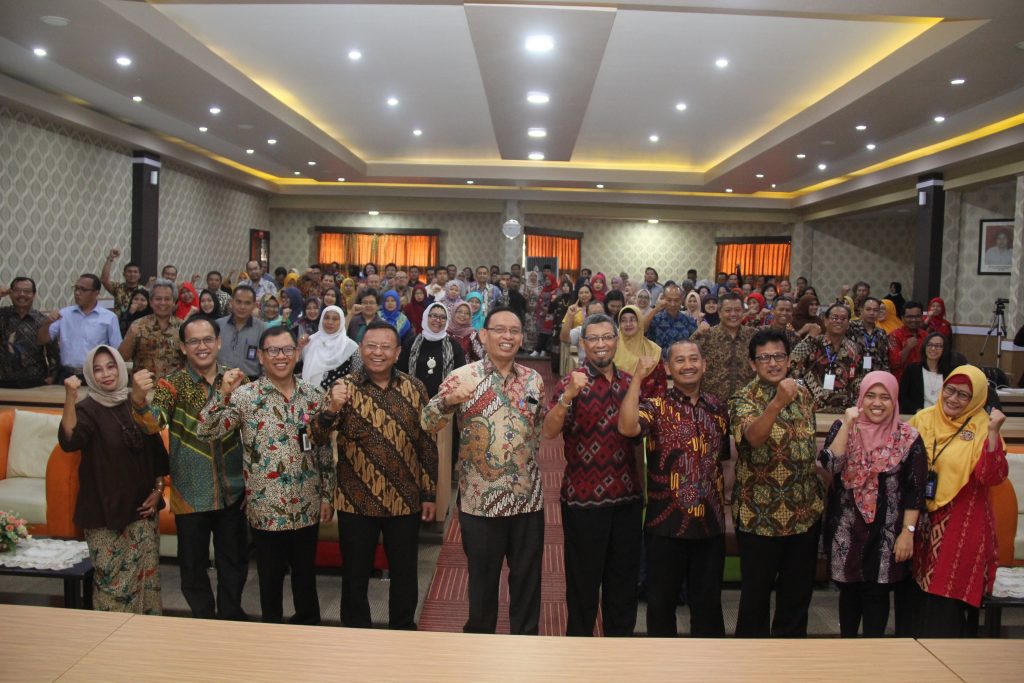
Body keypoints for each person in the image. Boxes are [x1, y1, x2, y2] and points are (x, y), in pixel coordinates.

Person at [198, 327, 335, 625]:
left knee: (305, 578)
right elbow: (207, 430)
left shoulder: (313, 395)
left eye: (287, 350)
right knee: (269, 581)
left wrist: (327, 494)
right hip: (266, 507)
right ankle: (270, 637)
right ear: (261, 356)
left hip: (307, 504)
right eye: (273, 351)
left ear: (297, 354)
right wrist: (222, 393)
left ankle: (308, 630)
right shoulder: (245, 397)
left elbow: (323, 449)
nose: (281, 356)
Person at [422, 307, 545, 635]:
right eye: (500, 330)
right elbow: (427, 422)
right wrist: (449, 402)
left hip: (527, 501)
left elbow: (541, 430)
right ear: (484, 335)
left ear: (521, 338)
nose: (508, 337)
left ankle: (525, 648)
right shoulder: (464, 377)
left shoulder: (534, 380)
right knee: (482, 582)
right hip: (480, 503)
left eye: (514, 331)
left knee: (528, 582)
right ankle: (478, 648)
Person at [310, 320, 437, 630]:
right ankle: (355, 635)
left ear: (397, 352)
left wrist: (429, 493)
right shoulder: (343, 388)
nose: (377, 353)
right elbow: (317, 438)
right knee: (354, 574)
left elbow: (426, 443)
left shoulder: (414, 387)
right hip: (356, 500)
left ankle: (403, 631)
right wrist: (330, 409)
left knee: (405, 573)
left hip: (404, 500)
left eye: (385, 347)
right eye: (371, 346)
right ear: (360, 349)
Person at [130, 316, 249, 621]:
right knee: (193, 564)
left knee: (233, 561)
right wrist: (139, 400)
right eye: (194, 341)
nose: (202, 346)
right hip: (190, 491)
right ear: (183, 347)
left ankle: (231, 616)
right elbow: (153, 424)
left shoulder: (238, 379)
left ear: (218, 342)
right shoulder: (173, 384)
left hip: (232, 488)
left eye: (208, 339)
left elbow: (251, 432)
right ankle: (204, 619)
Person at [619, 340, 730, 637]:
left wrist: (724, 503)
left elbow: (725, 460)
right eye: (680, 360)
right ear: (668, 368)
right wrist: (638, 379)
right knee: (661, 606)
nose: (688, 365)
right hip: (665, 525)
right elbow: (628, 427)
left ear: (704, 365)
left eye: (694, 359)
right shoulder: (656, 406)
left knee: (708, 607)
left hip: (710, 525)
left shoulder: (719, 408)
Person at [543, 314, 643, 637]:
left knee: (623, 587)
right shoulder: (571, 382)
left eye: (607, 337)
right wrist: (568, 396)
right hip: (584, 502)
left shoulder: (630, 383)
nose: (601, 344)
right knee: (583, 589)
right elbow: (549, 430)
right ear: (583, 344)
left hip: (626, 501)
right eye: (594, 339)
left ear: (616, 341)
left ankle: (619, 656)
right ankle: (579, 657)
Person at [58, 345, 169, 613]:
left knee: (147, 582)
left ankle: (146, 644)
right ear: (89, 375)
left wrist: (158, 489)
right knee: (113, 588)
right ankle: (110, 646)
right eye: (97, 369)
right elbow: (70, 440)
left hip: (142, 511)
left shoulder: (137, 403)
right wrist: (70, 398)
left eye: (111, 366)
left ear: (121, 368)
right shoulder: (86, 409)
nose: (105, 374)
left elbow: (155, 451)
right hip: (104, 515)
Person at [730, 329, 824, 637]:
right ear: (752, 363)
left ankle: (790, 662)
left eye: (779, 356)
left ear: (789, 359)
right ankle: (751, 663)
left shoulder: (805, 394)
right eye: (765, 358)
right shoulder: (743, 398)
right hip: (760, 517)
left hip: (803, 513)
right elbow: (754, 439)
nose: (773, 363)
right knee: (755, 599)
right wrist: (777, 403)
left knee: (796, 598)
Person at [818, 371, 927, 637]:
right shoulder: (843, 426)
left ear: (895, 401)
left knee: (878, 596)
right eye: (871, 396)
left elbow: (915, 490)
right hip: (847, 529)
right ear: (860, 399)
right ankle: (848, 655)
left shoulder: (908, 437)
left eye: (885, 397)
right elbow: (831, 464)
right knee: (848, 594)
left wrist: (907, 534)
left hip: (887, 533)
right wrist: (847, 424)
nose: (877, 403)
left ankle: (873, 659)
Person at [909, 366, 1008, 637]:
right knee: (917, 594)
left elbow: (992, 476)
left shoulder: (982, 426)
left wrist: (993, 434)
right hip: (923, 519)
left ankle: (946, 664)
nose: (953, 399)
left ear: (976, 398)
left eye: (964, 395)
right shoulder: (923, 419)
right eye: (950, 390)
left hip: (963, 521)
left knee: (947, 595)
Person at [38, 273, 123, 380]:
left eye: (83, 289)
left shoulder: (109, 317)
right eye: (76, 288)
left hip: (96, 375)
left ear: (96, 293)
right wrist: (47, 323)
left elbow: (116, 350)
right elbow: (42, 340)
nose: (77, 293)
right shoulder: (64, 314)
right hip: (67, 374)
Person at [790, 303, 862, 413]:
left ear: (848, 324)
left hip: (844, 410)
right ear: (826, 321)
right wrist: (801, 396)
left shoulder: (854, 349)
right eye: (834, 318)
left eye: (843, 318)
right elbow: (793, 362)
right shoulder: (813, 342)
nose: (838, 321)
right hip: (810, 410)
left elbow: (858, 379)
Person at [691, 292, 755, 405]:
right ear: (720, 313)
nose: (733, 314)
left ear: (743, 312)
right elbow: (686, 352)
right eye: (728, 310)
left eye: (737, 310)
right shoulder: (707, 334)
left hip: (746, 404)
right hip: (711, 404)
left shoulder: (753, 336)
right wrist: (697, 333)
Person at [119, 279, 184, 379]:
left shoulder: (184, 327)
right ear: (151, 302)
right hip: (143, 389)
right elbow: (122, 357)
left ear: (174, 302)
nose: (162, 303)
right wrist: (130, 337)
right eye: (158, 298)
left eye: (167, 299)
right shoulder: (138, 325)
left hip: (174, 390)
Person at [0, 277, 59, 387]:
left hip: (36, 382)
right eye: (17, 291)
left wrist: (52, 377)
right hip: (3, 381)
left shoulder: (43, 320)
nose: (22, 294)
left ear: (34, 294)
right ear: (11, 293)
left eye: (27, 291)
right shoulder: (2, 315)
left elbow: (54, 353)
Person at [398, 303, 466, 397]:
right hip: (413, 401)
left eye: (443, 317)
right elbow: (400, 372)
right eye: (434, 315)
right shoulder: (411, 344)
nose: (438, 320)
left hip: (443, 404)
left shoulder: (454, 346)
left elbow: (460, 376)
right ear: (426, 317)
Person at [301, 305, 360, 390]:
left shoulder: (351, 347)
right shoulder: (310, 341)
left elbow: (357, 377)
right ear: (321, 319)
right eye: (326, 318)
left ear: (341, 322)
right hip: (308, 396)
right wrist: (299, 347)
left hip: (338, 399)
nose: (330, 322)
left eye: (335, 319)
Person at [613, 305, 666, 398]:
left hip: (647, 405)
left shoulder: (653, 349)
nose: (628, 324)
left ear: (640, 322)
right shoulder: (611, 348)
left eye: (632, 320)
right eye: (623, 320)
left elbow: (660, 384)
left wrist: (650, 408)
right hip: (616, 405)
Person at [215, 285, 265, 381]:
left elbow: (266, 361)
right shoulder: (218, 325)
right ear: (231, 302)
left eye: (247, 303)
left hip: (250, 383)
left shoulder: (262, 328)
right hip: (220, 380)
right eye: (238, 302)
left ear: (254, 305)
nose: (242, 307)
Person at [645, 285, 699, 352]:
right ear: (663, 299)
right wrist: (655, 309)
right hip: (660, 360)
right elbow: (642, 330)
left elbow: (695, 344)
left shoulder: (689, 321)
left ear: (681, 300)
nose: (673, 304)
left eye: (676, 300)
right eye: (669, 300)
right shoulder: (655, 319)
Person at [848, 297, 890, 374]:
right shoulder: (851, 327)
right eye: (868, 309)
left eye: (875, 310)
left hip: (875, 375)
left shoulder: (881, 332)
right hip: (854, 374)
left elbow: (884, 358)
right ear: (861, 310)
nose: (872, 313)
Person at [888, 301, 928, 381]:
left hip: (922, 379)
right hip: (901, 380)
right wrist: (907, 348)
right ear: (902, 318)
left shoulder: (926, 335)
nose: (913, 320)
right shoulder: (895, 335)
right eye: (909, 317)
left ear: (921, 317)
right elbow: (894, 363)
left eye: (917, 316)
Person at [100, 248, 143, 317]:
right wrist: (110, 258)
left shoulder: (144, 290)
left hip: (137, 325)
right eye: (129, 271)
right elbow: (104, 280)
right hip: (118, 325)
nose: (132, 274)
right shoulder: (118, 288)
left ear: (139, 275)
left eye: (135, 272)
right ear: (124, 274)